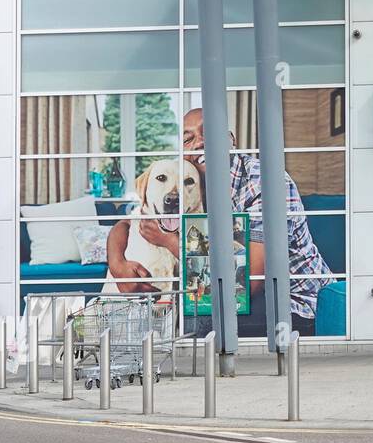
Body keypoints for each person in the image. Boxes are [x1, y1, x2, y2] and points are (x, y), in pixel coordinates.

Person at [107, 108, 332, 337]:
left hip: (292, 302)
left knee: (194, 317)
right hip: (228, 292)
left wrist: (170, 242)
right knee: (169, 310)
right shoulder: (191, 184)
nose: (200, 143)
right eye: (188, 138)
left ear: (231, 141)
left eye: (209, 132)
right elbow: (126, 223)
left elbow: (244, 285)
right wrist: (117, 266)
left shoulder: (264, 182)